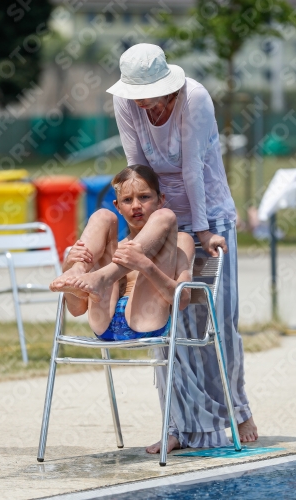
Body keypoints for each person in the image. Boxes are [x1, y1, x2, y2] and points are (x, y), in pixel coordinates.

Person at [103, 43, 258, 452]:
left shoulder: (195, 98)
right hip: (162, 218)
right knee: (168, 327)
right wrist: (142, 229)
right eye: (137, 96)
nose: (144, 105)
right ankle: (178, 425)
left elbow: (192, 168)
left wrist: (204, 230)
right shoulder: (126, 102)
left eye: (150, 96)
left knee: (218, 323)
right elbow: (139, 171)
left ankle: (237, 409)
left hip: (210, 215)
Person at [50, 165, 194, 349]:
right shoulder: (111, 247)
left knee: (166, 216)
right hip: (104, 325)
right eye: (127, 200)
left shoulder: (181, 242)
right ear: (118, 206)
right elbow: (77, 309)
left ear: (160, 199)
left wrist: (145, 266)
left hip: (146, 323)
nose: (136, 206)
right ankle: (78, 270)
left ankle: (103, 277)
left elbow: (182, 301)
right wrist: (70, 267)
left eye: (144, 197)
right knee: (103, 216)